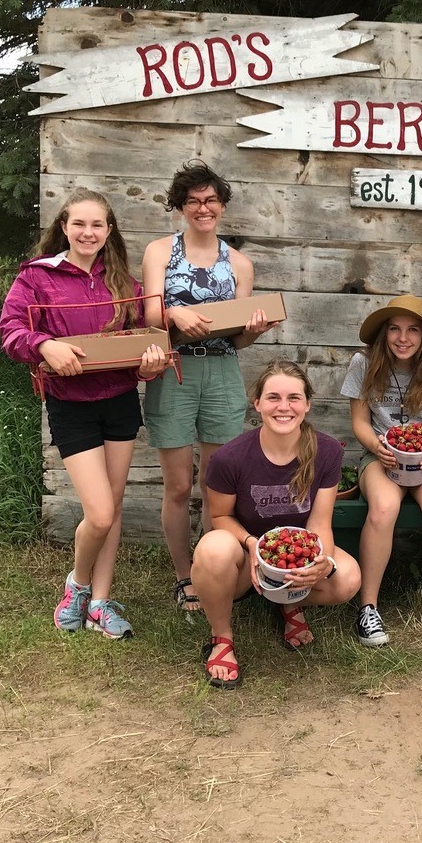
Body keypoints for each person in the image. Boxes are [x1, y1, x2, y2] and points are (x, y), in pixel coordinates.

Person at [0, 188, 169, 639]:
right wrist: (45, 344)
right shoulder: (37, 278)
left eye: (97, 225)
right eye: (79, 224)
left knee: (111, 508)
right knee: (97, 513)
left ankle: (100, 601)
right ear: (64, 228)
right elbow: (11, 330)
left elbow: (141, 348)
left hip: (118, 403)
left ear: (109, 231)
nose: (88, 232)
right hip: (69, 404)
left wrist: (149, 363)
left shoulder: (125, 286)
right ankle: (76, 585)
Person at [142, 160, 279, 616]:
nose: (204, 208)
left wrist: (255, 330)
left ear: (222, 205)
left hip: (222, 370)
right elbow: (148, 317)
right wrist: (173, 314)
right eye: (194, 201)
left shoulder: (239, 263)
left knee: (216, 485)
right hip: (174, 369)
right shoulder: (161, 251)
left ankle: (212, 566)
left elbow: (238, 335)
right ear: (180, 207)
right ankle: (185, 576)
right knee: (179, 485)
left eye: (211, 200)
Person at [193, 360, 361, 689]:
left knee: (347, 578)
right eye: (273, 397)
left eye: (294, 398)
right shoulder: (229, 458)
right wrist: (251, 544)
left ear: (308, 404)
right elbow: (220, 518)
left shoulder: (326, 451)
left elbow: (320, 523)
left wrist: (320, 563)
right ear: (256, 404)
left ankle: (289, 601)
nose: (284, 407)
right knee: (213, 550)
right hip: (248, 561)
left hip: (297, 555)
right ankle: (222, 637)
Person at [341, 294, 422, 647]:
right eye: (394, 329)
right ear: (383, 333)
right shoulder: (363, 365)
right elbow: (360, 422)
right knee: (383, 509)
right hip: (382, 458)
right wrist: (378, 446)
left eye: (413, 330)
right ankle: (368, 607)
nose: (403, 338)